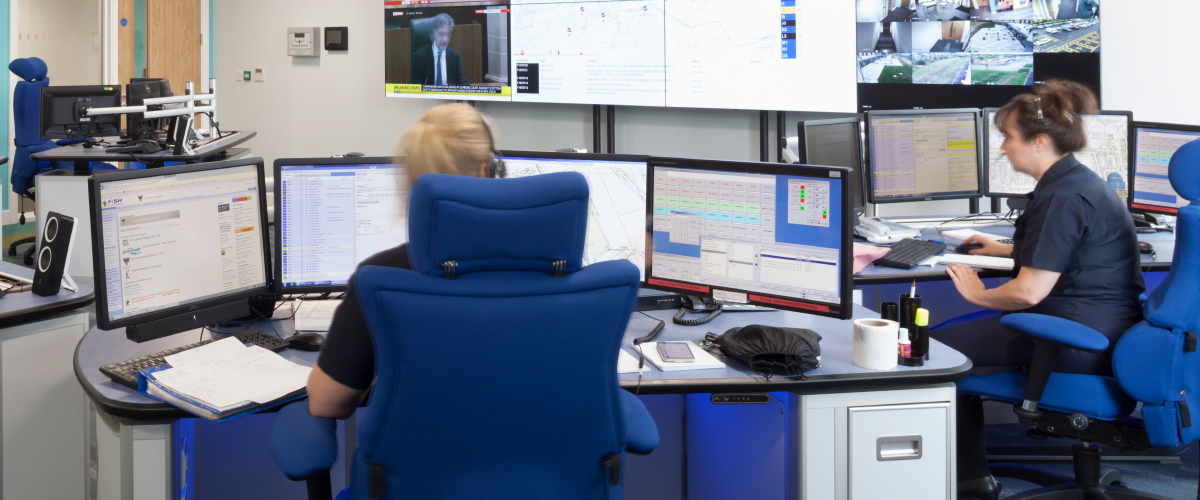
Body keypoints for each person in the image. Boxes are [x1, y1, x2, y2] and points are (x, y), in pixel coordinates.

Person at [933, 80, 1144, 500]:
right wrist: (1003, 249)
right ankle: (970, 475)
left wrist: (976, 294)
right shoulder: (1077, 183)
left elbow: (1028, 292)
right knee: (953, 342)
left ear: (1039, 141)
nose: (1003, 148)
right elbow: (1066, 255)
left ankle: (969, 482)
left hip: (1077, 337)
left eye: (1008, 138)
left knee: (935, 353)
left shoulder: (1061, 197)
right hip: (1104, 326)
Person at [307, 103, 500, 419]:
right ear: (486, 170)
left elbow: (326, 403)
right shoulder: (553, 271)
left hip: (423, 467)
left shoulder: (382, 279)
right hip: (545, 467)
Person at [411, 13, 468, 86]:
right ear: (432, 35)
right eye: (441, 34)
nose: (445, 39)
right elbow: (416, 84)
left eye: (448, 35)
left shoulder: (454, 56)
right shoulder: (420, 56)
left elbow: (463, 83)